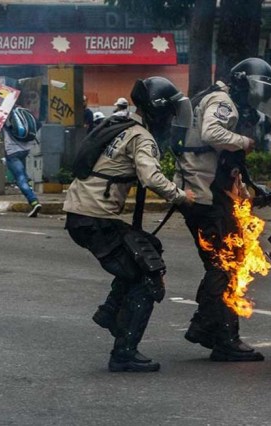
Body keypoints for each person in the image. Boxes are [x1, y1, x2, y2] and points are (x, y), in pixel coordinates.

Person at [63, 76, 195, 372]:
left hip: (84, 214)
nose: (172, 120)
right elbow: (151, 178)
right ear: (159, 111)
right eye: (170, 113)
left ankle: (111, 312)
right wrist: (182, 197)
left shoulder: (120, 124)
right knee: (147, 276)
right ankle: (124, 351)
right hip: (93, 218)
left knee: (147, 249)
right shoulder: (141, 136)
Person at [174, 57, 271, 362]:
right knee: (224, 265)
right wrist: (244, 141)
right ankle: (212, 331)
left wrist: (246, 192)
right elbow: (211, 134)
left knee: (229, 262)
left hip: (206, 193)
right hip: (201, 198)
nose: (258, 98)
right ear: (244, 83)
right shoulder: (222, 101)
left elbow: (222, 163)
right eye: (257, 89)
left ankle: (217, 332)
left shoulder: (218, 98)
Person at [3, 107, 42, 217]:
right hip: (25, 150)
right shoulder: (23, 111)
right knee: (23, 175)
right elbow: (38, 125)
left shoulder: (3, 117)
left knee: (20, 178)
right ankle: (29, 187)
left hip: (12, 153)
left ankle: (33, 201)